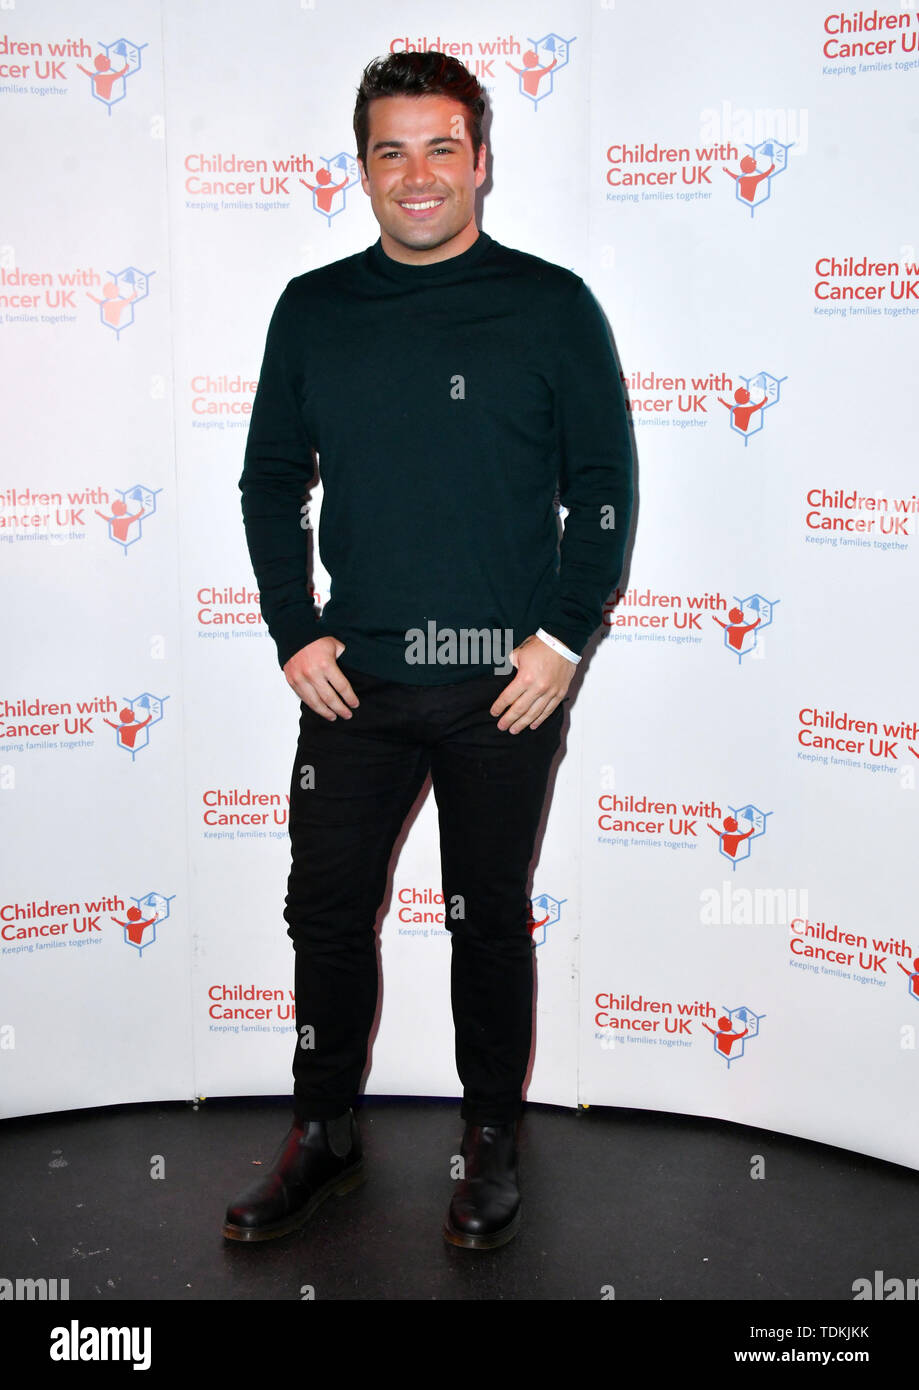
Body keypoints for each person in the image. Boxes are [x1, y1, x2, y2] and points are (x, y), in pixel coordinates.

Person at [223, 50, 633, 1250]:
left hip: (503, 684)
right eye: (391, 150)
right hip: (357, 684)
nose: (417, 174)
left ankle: (492, 1136)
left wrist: (562, 638)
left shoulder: (551, 305)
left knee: (487, 917)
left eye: (440, 146)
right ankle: (325, 1129)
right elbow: (265, 485)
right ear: (360, 167)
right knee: (324, 913)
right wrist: (293, 629)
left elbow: (603, 487)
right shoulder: (313, 308)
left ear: (482, 161)